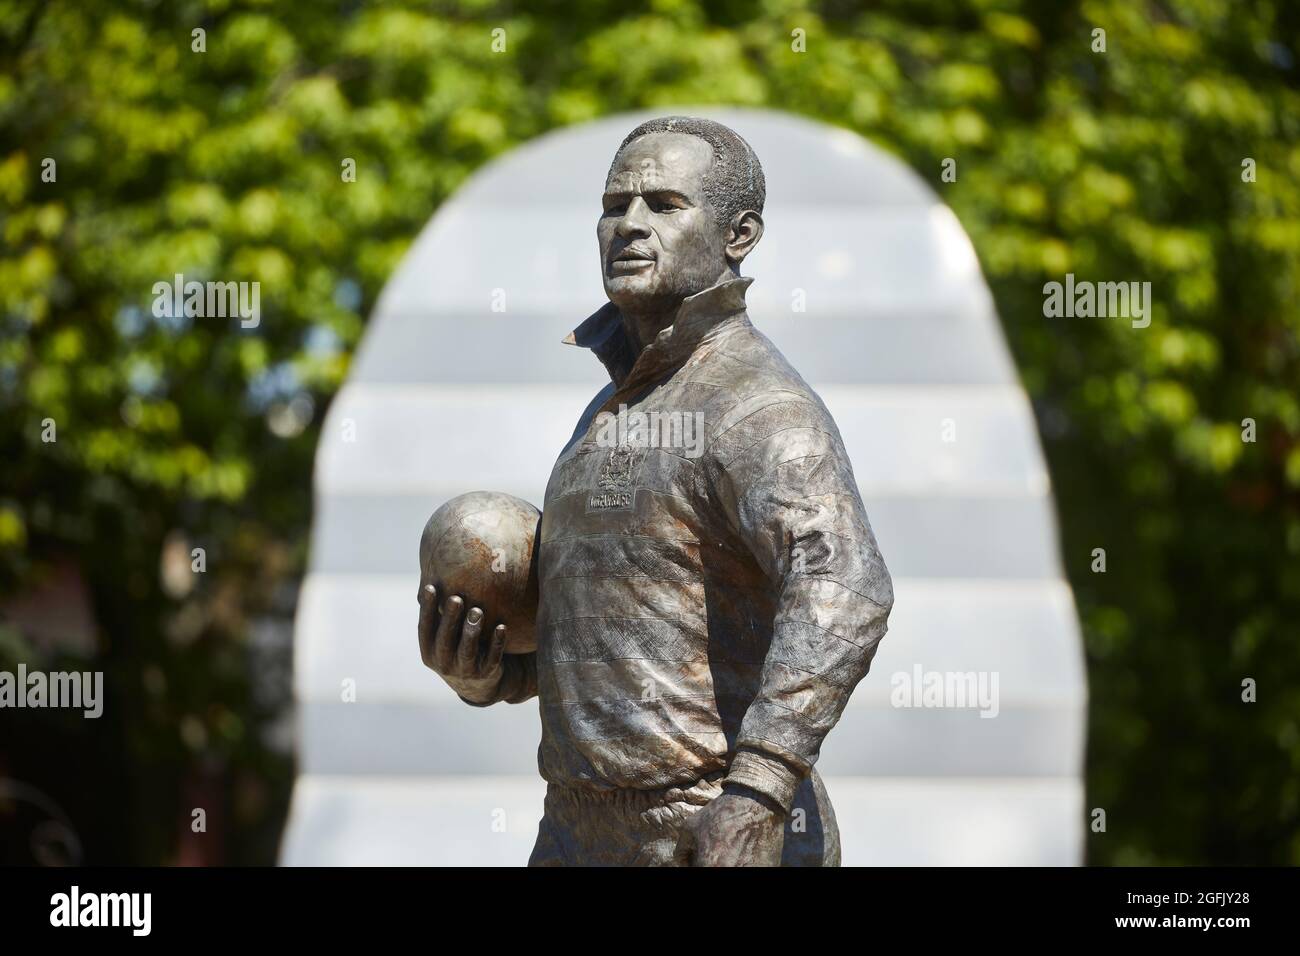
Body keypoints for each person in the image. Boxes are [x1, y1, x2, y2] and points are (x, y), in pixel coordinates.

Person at [418, 116, 893, 866]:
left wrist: (759, 792)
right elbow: (626, 642)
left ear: (738, 235)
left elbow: (845, 588)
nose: (628, 226)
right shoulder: (606, 414)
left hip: (710, 827)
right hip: (577, 827)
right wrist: (493, 676)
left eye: (664, 205)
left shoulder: (756, 402)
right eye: (614, 205)